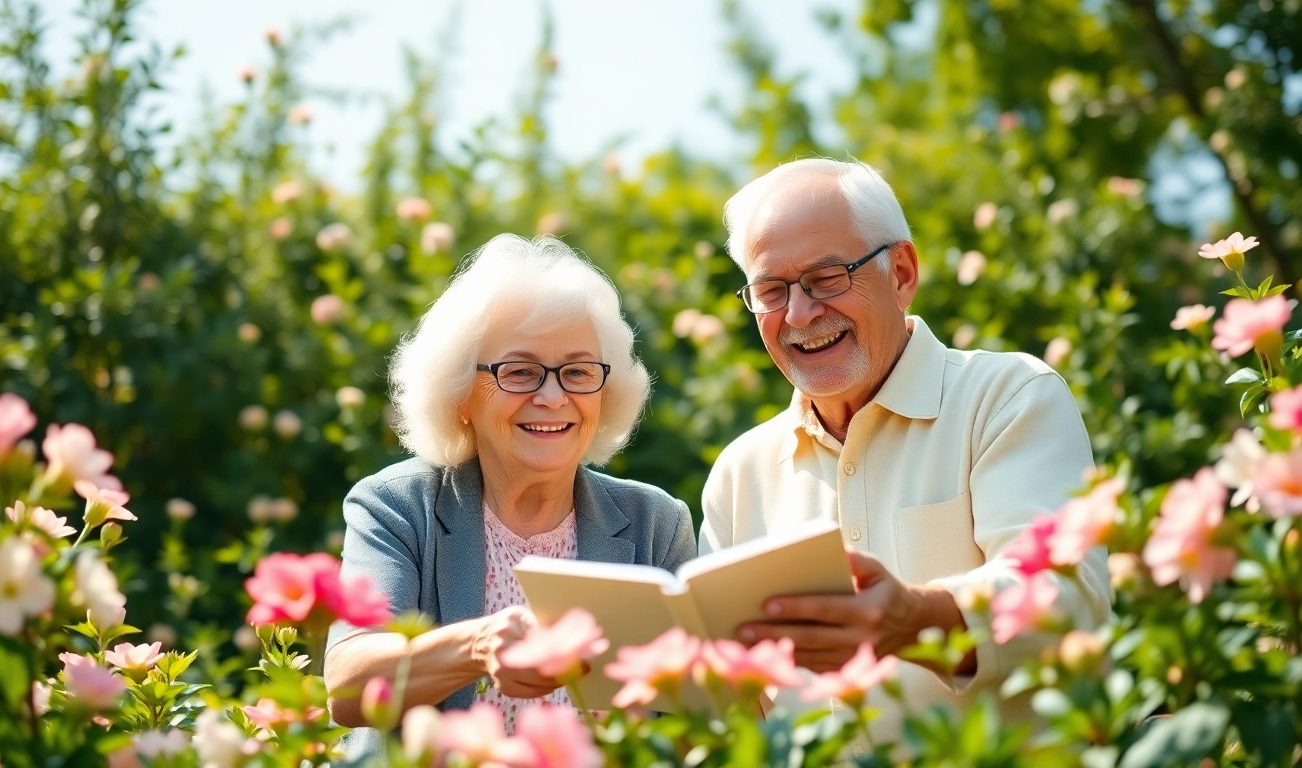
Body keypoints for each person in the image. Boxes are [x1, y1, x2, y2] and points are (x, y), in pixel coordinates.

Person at [700, 158, 1110, 746]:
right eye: (771, 290)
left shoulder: (1008, 397)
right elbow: (739, 707)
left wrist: (917, 619)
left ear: (900, 272)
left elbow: (1068, 597)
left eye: (827, 278)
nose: (799, 313)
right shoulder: (740, 474)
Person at [325, 234, 696, 758]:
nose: (552, 396)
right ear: (460, 395)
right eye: (518, 371)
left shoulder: (655, 523)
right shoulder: (397, 506)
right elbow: (348, 682)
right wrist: (479, 645)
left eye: (577, 372)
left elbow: (693, 716)